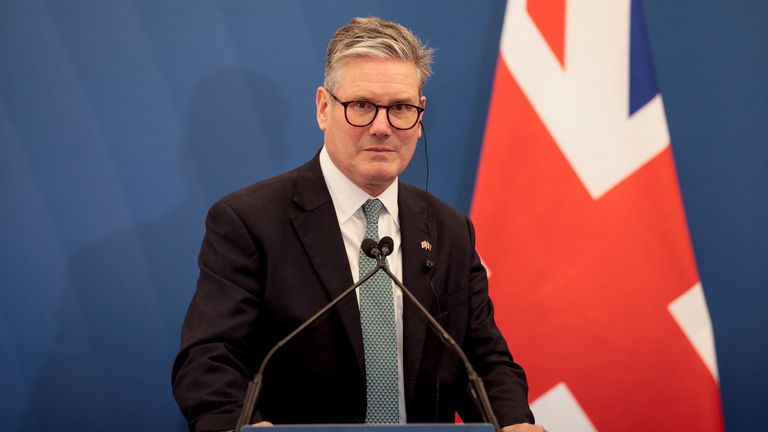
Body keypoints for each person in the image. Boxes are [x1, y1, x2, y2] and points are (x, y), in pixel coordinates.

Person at [172, 17, 544, 432]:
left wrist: (512, 423)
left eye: (401, 108)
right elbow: (209, 359)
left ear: (420, 117)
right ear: (324, 108)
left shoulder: (450, 230)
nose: (382, 127)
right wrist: (238, 425)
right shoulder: (249, 222)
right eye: (362, 105)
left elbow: (482, 358)